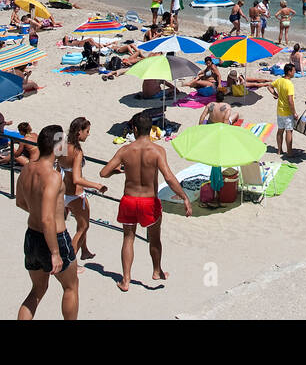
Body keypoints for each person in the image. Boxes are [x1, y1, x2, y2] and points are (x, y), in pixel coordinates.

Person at [99, 111, 192, 291]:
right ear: (150, 130)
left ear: (134, 129)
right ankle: (157, 271)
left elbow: (103, 173)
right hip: (149, 201)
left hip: (129, 200)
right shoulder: (157, 151)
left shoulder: (125, 150)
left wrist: (116, 170)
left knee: (128, 238)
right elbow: (169, 178)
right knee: (155, 239)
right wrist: (184, 197)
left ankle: (126, 280)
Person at [16, 124, 79, 320]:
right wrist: (54, 252)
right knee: (70, 287)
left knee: (37, 290)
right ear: (57, 146)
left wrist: (38, 211)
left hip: (31, 236)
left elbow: (20, 202)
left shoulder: (27, 168)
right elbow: (47, 218)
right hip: (54, 239)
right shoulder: (52, 176)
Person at [59, 117, 108, 268]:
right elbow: (77, 179)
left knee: (79, 223)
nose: (88, 134)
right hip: (75, 194)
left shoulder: (60, 145)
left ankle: (84, 250)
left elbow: (56, 167)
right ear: (79, 132)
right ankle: (70, 262)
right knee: (83, 227)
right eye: (87, 131)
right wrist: (97, 185)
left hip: (62, 191)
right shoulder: (77, 151)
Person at [272, 62, 297, 157]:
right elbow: (291, 100)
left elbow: (269, 86)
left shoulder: (279, 80)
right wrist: (294, 112)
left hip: (279, 110)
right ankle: (289, 152)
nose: (295, 72)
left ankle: (279, 150)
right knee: (289, 131)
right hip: (287, 112)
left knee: (280, 130)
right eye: (294, 71)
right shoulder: (289, 84)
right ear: (289, 72)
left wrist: (275, 94)